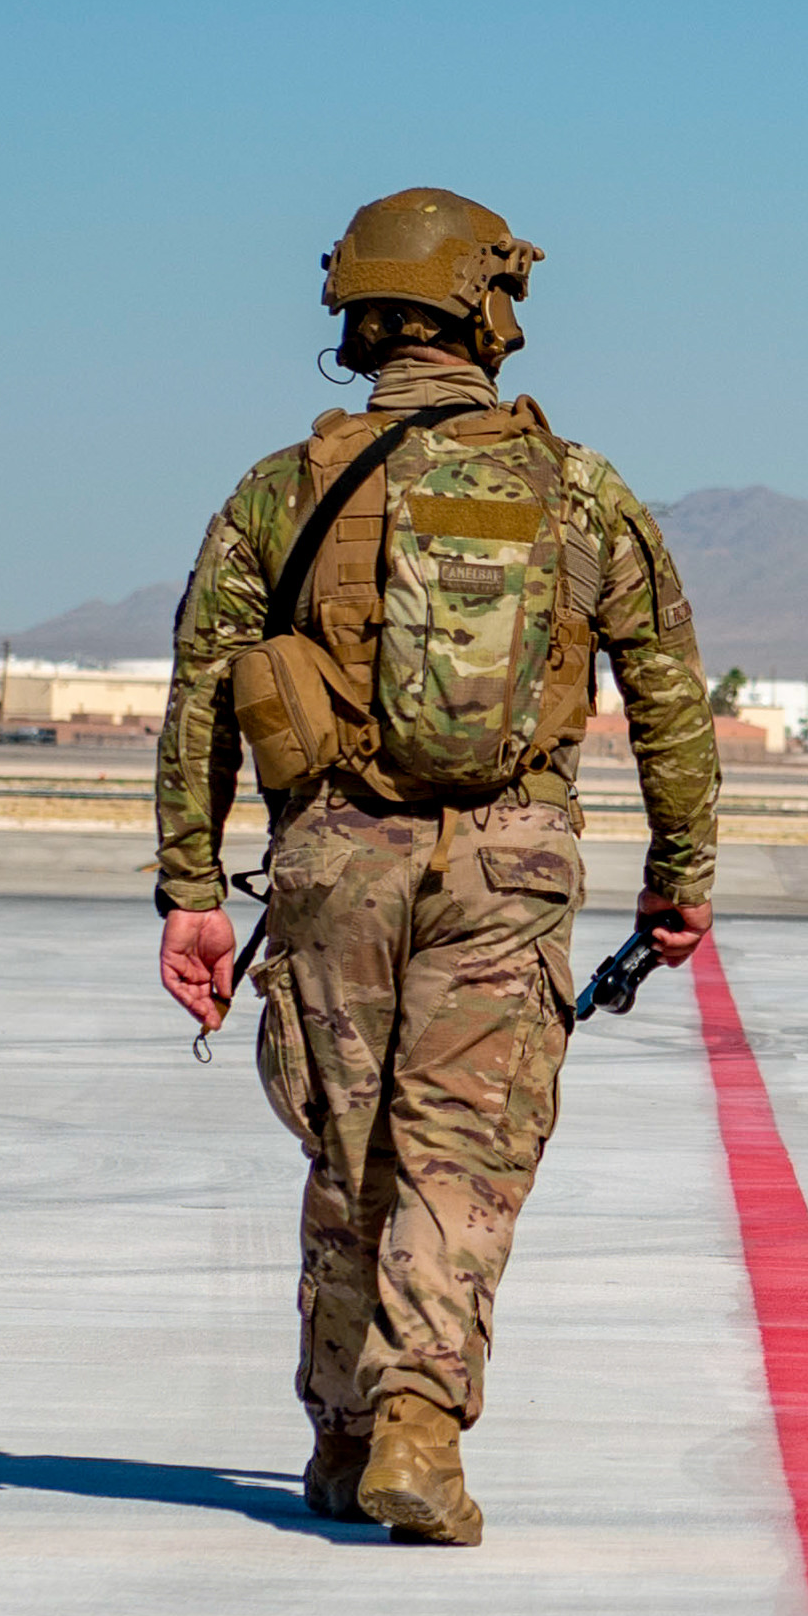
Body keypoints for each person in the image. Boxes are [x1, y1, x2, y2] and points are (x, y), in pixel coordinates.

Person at [153, 188, 719, 1545]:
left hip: (330, 859)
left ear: (357, 314)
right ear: (489, 308)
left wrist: (188, 890)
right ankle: (419, 1422)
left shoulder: (279, 491)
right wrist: (679, 874)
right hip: (508, 866)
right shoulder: (578, 488)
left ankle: (346, 1436)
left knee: (348, 1156)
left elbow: (197, 697)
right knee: (457, 1158)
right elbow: (667, 692)